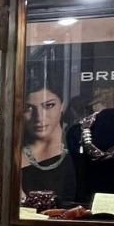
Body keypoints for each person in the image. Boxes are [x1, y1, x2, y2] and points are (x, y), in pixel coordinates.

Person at [20, 63, 76, 206]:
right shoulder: (11, 154)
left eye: (49, 105)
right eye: (28, 108)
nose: (39, 117)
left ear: (62, 105)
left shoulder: (77, 147)